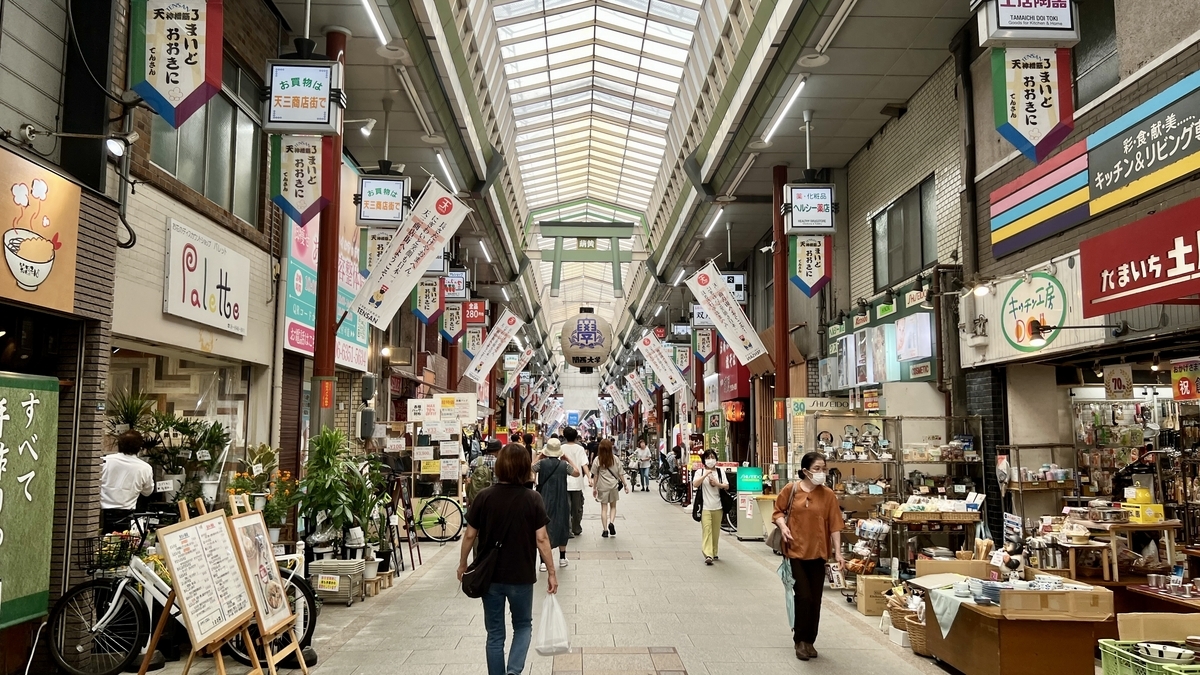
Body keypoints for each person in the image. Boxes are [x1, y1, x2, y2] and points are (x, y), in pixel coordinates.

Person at [458, 444, 558, 675]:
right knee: (523, 626)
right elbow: (542, 539)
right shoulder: (533, 498)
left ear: (500, 466)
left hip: (489, 575)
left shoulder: (484, 497)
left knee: (495, 633)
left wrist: (463, 564)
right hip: (521, 575)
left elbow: (470, 535)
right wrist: (551, 572)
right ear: (525, 468)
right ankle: (513, 671)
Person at [772, 452, 846, 661]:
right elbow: (777, 511)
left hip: (819, 553)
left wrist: (838, 553)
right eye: (817, 469)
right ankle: (799, 640)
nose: (821, 473)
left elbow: (835, 525)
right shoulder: (792, 489)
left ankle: (810, 641)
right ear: (805, 471)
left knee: (815, 599)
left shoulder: (828, 495)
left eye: (824, 469)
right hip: (795, 551)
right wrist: (783, 526)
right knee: (803, 596)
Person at [533, 438, 580, 569]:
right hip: (561, 498)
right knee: (562, 524)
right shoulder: (564, 466)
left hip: (544, 498)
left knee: (544, 527)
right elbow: (577, 473)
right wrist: (568, 459)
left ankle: (543, 561)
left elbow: (529, 468)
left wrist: (539, 456)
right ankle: (562, 558)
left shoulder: (541, 464)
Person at [100, 430, 155, 534]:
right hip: (126, 516)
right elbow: (147, 492)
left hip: (101, 515)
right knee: (124, 545)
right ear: (139, 447)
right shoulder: (145, 468)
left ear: (119, 444)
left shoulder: (105, 461)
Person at [692, 449, 728, 565]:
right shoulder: (700, 472)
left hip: (718, 506)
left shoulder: (720, 472)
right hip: (705, 507)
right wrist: (706, 475)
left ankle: (714, 551)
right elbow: (695, 484)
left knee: (716, 531)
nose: (710, 460)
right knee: (707, 530)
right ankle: (708, 554)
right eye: (708, 457)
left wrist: (717, 484)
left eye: (712, 457)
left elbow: (726, 486)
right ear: (704, 460)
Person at [589, 439, 630, 537]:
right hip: (613, 486)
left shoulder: (597, 459)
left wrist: (594, 488)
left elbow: (595, 475)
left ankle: (605, 530)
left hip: (602, 486)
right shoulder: (615, 459)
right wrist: (625, 485)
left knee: (604, 508)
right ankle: (611, 522)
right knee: (613, 506)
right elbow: (620, 473)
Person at [559, 427, 590, 538]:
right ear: (576, 436)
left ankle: (568, 530)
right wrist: (589, 477)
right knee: (577, 507)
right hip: (577, 482)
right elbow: (584, 464)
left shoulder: (561, 448)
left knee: (566, 507)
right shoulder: (580, 448)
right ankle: (576, 527)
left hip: (564, 482)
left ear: (565, 436)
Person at [466, 439, 502, 504]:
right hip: (495, 500)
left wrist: (468, 498)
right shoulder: (500, 464)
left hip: (477, 499)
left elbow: (468, 481)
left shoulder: (475, 461)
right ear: (499, 450)